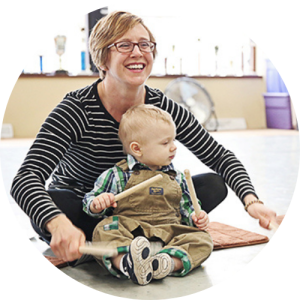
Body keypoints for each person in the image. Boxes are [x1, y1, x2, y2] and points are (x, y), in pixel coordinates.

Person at [10, 11, 278, 264]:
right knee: (53, 205)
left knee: (212, 185)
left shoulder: (162, 108)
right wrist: (58, 224)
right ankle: (133, 240)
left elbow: (219, 156)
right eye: (124, 45)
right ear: (102, 59)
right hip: (89, 208)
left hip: (146, 208)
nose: (137, 52)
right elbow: (26, 178)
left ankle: (126, 244)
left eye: (145, 44)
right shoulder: (76, 109)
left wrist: (251, 201)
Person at [83, 104, 213, 285]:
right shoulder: (117, 175)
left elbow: (187, 209)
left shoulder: (178, 177)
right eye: (165, 143)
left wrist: (196, 217)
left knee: (203, 239)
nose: (174, 147)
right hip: (129, 229)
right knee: (103, 230)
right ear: (137, 149)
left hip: (169, 229)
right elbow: (90, 200)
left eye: (173, 141)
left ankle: (165, 263)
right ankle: (127, 262)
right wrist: (97, 204)